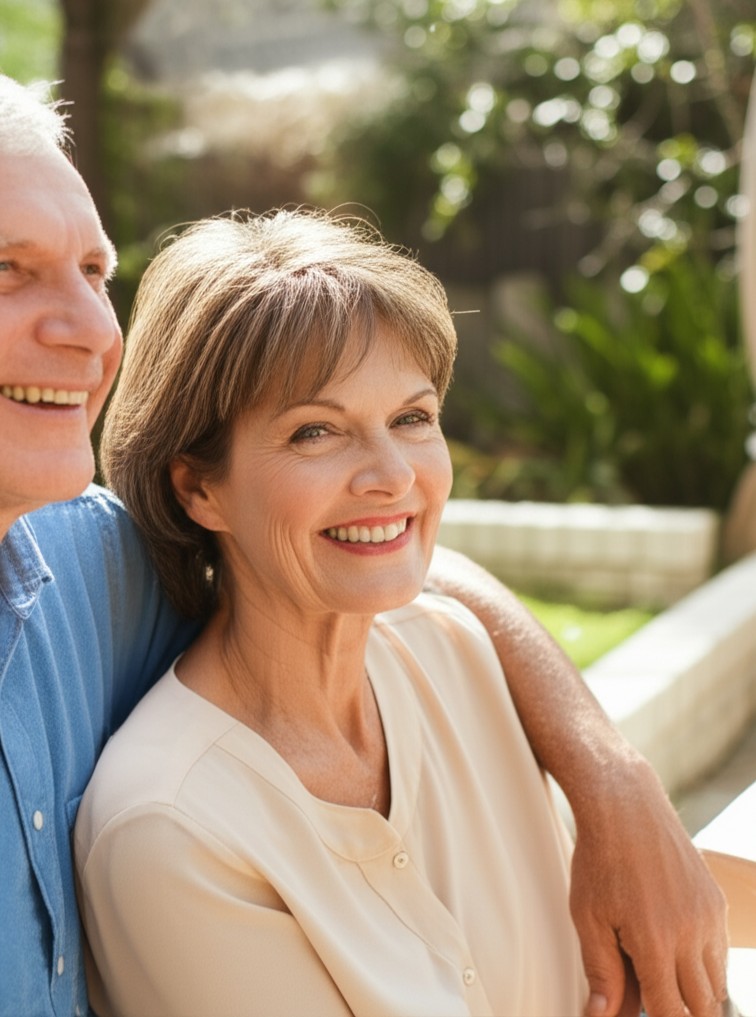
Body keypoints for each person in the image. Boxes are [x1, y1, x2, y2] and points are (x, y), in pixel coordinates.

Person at [0, 58, 725, 1017]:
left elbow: (385, 559)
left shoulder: (84, 560)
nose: (91, 330)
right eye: (6, 270)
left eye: (92, 271)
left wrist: (613, 779)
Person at [76, 211, 724, 1017]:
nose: (391, 477)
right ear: (198, 488)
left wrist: (617, 782)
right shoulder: (170, 830)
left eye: (413, 418)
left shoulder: (458, 651)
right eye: (316, 432)